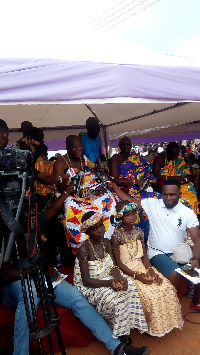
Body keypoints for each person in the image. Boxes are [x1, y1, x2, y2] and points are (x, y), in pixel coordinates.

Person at [0, 179, 150, 355]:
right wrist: (37, 270)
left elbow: (53, 209)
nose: (30, 214)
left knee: (77, 298)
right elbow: (6, 274)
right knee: (30, 294)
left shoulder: (34, 220)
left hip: (44, 277)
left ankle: (117, 348)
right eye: (24, 209)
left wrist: (68, 190)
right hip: (16, 282)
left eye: (29, 208)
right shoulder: (5, 229)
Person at [110, 178, 200, 312]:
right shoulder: (153, 203)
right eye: (165, 194)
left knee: (198, 269)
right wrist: (114, 187)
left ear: (180, 194)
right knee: (175, 275)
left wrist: (196, 258)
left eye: (172, 195)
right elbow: (131, 202)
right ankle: (172, 309)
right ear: (161, 193)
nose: (168, 198)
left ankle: (196, 301)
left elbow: (197, 238)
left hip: (179, 251)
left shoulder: (187, 212)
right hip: (157, 252)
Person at [73, 211, 150, 344]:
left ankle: (125, 327)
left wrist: (119, 278)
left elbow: (113, 267)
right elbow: (86, 281)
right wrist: (110, 283)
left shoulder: (106, 242)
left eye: (101, 226)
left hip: (107, 277)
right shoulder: (83, 249)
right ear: (88, 232)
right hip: (91, 284)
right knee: (113, 299)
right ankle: (115, 332)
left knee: (130, 286)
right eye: (94, 229)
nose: (100, 230)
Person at [111, 200, 182, 336]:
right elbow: (118, 263)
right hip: (127, 270)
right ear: (120, 217)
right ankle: (150, 327)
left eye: (133, 214)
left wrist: (150, 270)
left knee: (165, 286)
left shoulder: (139, 231)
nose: (132, 218)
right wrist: (137, 276)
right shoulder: (116, 236)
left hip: (142, 266)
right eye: (127, 215)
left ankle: (166, 323)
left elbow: (144, 256)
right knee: (149, 295)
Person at [53, 135, 116, 253]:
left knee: (108, 198)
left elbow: (94, 167)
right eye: (74, 147)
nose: (79, 149)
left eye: (80, 146)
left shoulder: (83, 159)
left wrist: (98, 180)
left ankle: (107, 238)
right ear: (67, 148)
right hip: (68, 194)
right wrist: (85, 192)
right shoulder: (60, 164)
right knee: (73, 208)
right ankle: (81, 244)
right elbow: (62, 189)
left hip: (85, 192)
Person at [108, 136, 159, 241]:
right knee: (134, 204)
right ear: (119, 146)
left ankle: (153, 233)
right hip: (123, 189)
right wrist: (135, 181)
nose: (126, 146)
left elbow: (144, 173)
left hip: (138, 188)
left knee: (156, 197)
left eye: (128, 144)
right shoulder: (115, 159)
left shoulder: (135, 158)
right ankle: (136, 235)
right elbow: (115, 179)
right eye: (124, 144)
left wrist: (144, 182)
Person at [152, 141, 198, 214]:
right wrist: (173, 178)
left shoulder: (179, 158)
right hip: (166, 184)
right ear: (167, 151)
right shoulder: (159, 158)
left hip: (179, 182)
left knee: (190, 188)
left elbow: (183, 170)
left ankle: (191, 214)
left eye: (176, 154)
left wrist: (185, 177)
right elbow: (155, 175)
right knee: (180, 194)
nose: (175, 157)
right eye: (173, 155)